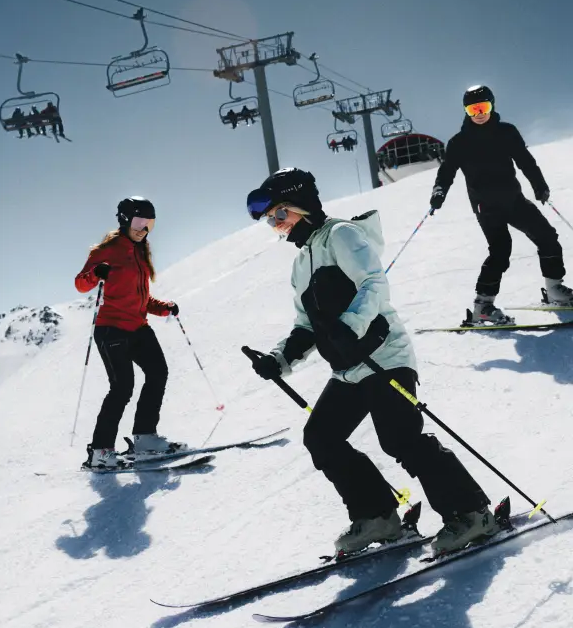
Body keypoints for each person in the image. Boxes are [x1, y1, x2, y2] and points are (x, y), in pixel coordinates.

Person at [245, 167, 495, 555]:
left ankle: (472, 513)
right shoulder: (301, 263)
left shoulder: (341, 235)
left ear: (302, 204)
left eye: (280, 214)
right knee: (321, 438)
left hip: (384, 356)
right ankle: (378, 516)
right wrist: (278, 360)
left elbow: (373, 283)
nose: (277, 225)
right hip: (348, 369)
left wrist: (351, 325)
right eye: (271, 221)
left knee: (400, 439)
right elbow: (306, 325)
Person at [430, 84, 573, 322]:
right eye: (473, 109)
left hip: (514, 200)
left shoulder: (507, 132)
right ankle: (483, 307)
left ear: (492, 105)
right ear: (466, 111)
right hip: (486, 207)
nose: (479, 114)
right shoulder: (459, 143)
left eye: (483, 107)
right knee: (501, 250)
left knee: (547, 235)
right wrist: (439, 192)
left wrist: (539, 185)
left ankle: (554, 290)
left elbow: (525, 161)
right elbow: (446, 172)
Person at [74, 196, 183, 470]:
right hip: (111, 329)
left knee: (158, 372)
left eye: (149, 224)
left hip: (138, 328)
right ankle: (100, 452)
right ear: (124, 220)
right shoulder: (107, 251)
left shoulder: (140, 252)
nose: (143, 229)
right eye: (139, 222)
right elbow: (80, 284)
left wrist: (164, 308)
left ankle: (145, 438)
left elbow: (140, 298)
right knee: (122, 387)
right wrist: (96, 272)